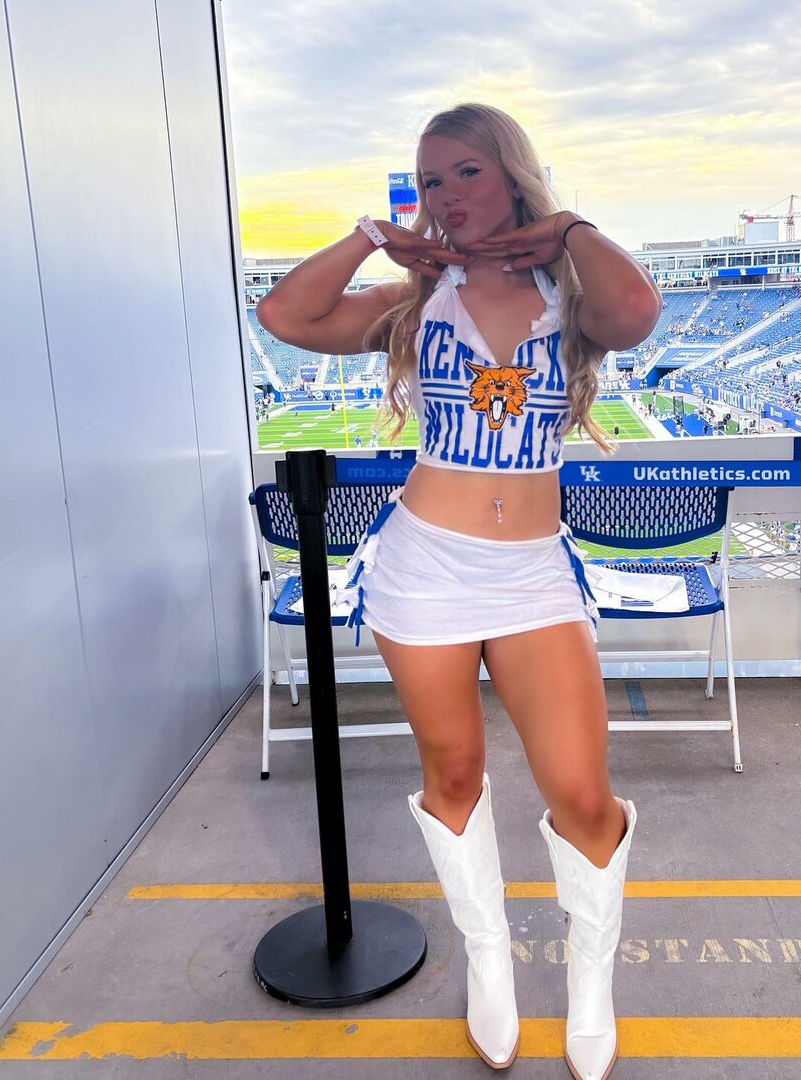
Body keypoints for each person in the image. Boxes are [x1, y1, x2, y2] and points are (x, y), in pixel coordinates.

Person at [256, 103, 660, 1080]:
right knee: (454, 774)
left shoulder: (570, 291)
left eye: (466, 172)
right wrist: (372, 235)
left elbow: (637, 313)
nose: (447, 194)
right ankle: (489, 962)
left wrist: (569, 229)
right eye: (431, 180)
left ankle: (591, 986)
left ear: (511, 174)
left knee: (583, 794)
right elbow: (284, 317)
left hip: (533, 576)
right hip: (424, 569)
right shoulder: (415, 299)